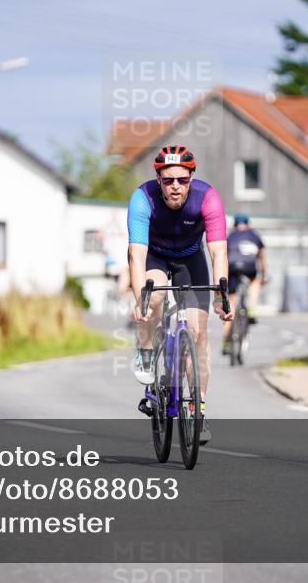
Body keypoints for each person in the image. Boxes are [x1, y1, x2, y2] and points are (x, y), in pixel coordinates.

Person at [127, 145, 232, 444]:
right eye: (169, 180)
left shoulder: (207, 198)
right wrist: (141, 302)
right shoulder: (142, 199)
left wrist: (223, 295)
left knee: (199, 335)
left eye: (182, 180)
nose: (175, 187)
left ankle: (196, 411)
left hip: (190, 260)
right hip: (154, 259)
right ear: (158, 179)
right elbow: (137, 255)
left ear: (191, 178)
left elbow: (218, 251)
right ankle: (146, 350)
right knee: (155, 298)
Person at [222, 214, 267, 354]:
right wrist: (263, 276)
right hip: (249, 268)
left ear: (235, 225)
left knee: (231, 306)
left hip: (232, 269)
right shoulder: (254, 235)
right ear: (248, 223)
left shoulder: (231, 236)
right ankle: (252, 309)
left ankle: (226, 343)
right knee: (255, 281)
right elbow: (262, 258)